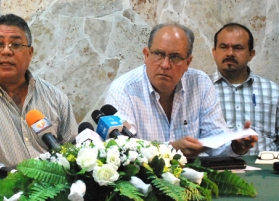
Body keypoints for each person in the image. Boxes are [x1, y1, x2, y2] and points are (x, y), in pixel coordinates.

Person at [0, 14, 78, 178]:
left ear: (30, 53)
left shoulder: (55, 98)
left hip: (54, 196)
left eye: (16, 45)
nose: (6, 51)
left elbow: (74, 157)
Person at [105, 23, 257, 158]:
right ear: (146, 55)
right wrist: (171, 149)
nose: (165, 65)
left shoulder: (200, 83)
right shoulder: (123, 90)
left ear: (188, 62)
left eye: (175, 57)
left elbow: (216, 140)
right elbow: (121, 151)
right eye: (158, 54)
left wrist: (234, 146)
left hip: (196, 182)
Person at [211, 23, 279, 155]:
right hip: (216, 173)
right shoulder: (201, 90)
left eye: (238, 48)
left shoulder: (273, 91)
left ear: (251, 54)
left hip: (264, 173)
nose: (230, 53)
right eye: (223, 47)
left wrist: (273, 163)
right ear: (214, 52)